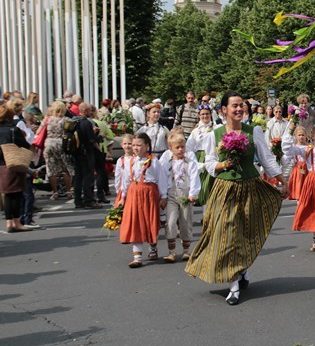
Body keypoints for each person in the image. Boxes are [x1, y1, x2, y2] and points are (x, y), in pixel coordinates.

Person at [185, 91, 287, 306]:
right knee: (227, 233)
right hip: (226, 189)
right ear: (224, 110)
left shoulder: (254, 130)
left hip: (250, 187)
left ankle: (241, 269)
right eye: (234, 106)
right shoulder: (215, 134)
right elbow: (209, 163)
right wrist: (223, 165)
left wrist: (281, 180)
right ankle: (233, 287)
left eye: (242, 105)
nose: (239, 109)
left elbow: (266, 158)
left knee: (246, 232)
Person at [118, 133, 168, 267]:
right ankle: (137, 256)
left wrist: (163, 196)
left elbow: (161, 179)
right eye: (134, 145)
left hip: (149, 193)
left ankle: (152, 246)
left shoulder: (154, 161)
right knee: (135, 222)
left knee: (150, 220)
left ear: (147, 146)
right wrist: (123, 197)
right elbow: (126, 180)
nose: (135, 148)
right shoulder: (130, 161)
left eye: (139, 145)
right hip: (134, 193)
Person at [284, 128, 315, 258]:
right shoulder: (307, 149)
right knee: (311, 210)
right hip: (311, 181)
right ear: (313, 135)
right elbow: (287, 149)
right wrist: (290, 130)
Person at [159, 134, 201, 263]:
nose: (180, 150)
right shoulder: (166, 163)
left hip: (185, 193)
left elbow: (194, 177)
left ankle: (186, 251)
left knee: (185, 221)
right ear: (171, 148)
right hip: (171, 194)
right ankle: (171, 251)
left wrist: (193, 193)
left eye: (182, 147)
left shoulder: (189, 162)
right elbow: (163, 179)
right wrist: (163, 196)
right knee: (170, 222)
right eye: (177, 147)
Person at [0, 104, 34, 232]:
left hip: (0, 164)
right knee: (17, 193)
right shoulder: (13, 130)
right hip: (13, 162)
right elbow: (25, 145)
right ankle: (16, 221)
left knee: (6, 193)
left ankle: (8, 222)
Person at [41, 101, 74, 200]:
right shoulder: (66, 120)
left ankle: (54, 192)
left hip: (49, 144)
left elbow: (39, 131)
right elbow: (71, 132)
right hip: (61, 144)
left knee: (51, 169)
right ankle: (68, 191)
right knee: (65, 168)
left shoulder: (47, 119)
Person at [73, 103, 102, 209]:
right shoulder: (86, 123)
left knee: (78, 177)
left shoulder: (73, 120)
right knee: (88, 177)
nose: (91, 112)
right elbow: (91, 140)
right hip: (86, 152)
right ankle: (89, 200)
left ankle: (77, 200)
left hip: (76, 152)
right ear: (85, 111)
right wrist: (99, 138)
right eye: (89, 110)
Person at [284, 126, 309, 201]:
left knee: (307, 192)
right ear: (295, 136)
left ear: (306, 136)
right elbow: (287, 158)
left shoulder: (309, 146)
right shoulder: (293, 147)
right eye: (299, 135)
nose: (301, 137)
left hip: (307, 171)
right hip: (298, 171)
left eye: (303, 135)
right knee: (299, 192)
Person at [113, 134, 134, 207]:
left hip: (133, 189)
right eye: (125, 144)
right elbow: (117, 177)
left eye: (129, 144)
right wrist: (118, 190)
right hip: (123, 189)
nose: (127, 146)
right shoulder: (120, 160)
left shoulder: (136, 159)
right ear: (122, 145)